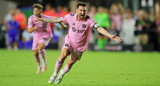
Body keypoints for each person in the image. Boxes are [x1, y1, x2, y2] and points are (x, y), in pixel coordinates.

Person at [35, 2, 121, 84]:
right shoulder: (70, 17)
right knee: (63, 54)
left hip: (79, 48)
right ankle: (54, 75)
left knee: (70, 63)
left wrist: (110, 36)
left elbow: (99, 28)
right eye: (81, 10)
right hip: (69, 41)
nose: (83, 12)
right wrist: (44, 19)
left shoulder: (89, 20)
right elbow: (56, 19)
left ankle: (61, 74)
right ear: (76, 10)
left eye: (84, 11)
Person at [27, 4, 65, 74]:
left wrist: (62, 23)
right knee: (35, 54)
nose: (35, 12)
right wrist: (33, 28)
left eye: (37, 10)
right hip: (36, 36)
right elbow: (29, 31)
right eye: (34, 10)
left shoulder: (45, 17)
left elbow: (55, 19)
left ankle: (44, 63)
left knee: (40, 47)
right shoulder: (31, 18)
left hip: (45, 35)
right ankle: (39, 66)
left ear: (41, 11)